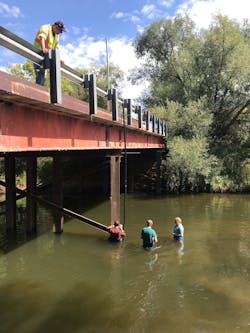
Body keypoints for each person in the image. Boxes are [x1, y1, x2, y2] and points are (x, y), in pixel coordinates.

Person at [33, 21, 66, 86]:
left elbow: (56, 48)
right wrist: (43, 48)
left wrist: (59, 59)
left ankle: (40, 88)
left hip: (46, 54)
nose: (60, 33)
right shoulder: (46, 27)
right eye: (60, 31)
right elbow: (42, 38)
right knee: (40, 72)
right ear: (55, 27)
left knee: (43, 74)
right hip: (38, 51)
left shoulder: (56, 36)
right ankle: (38, 88)